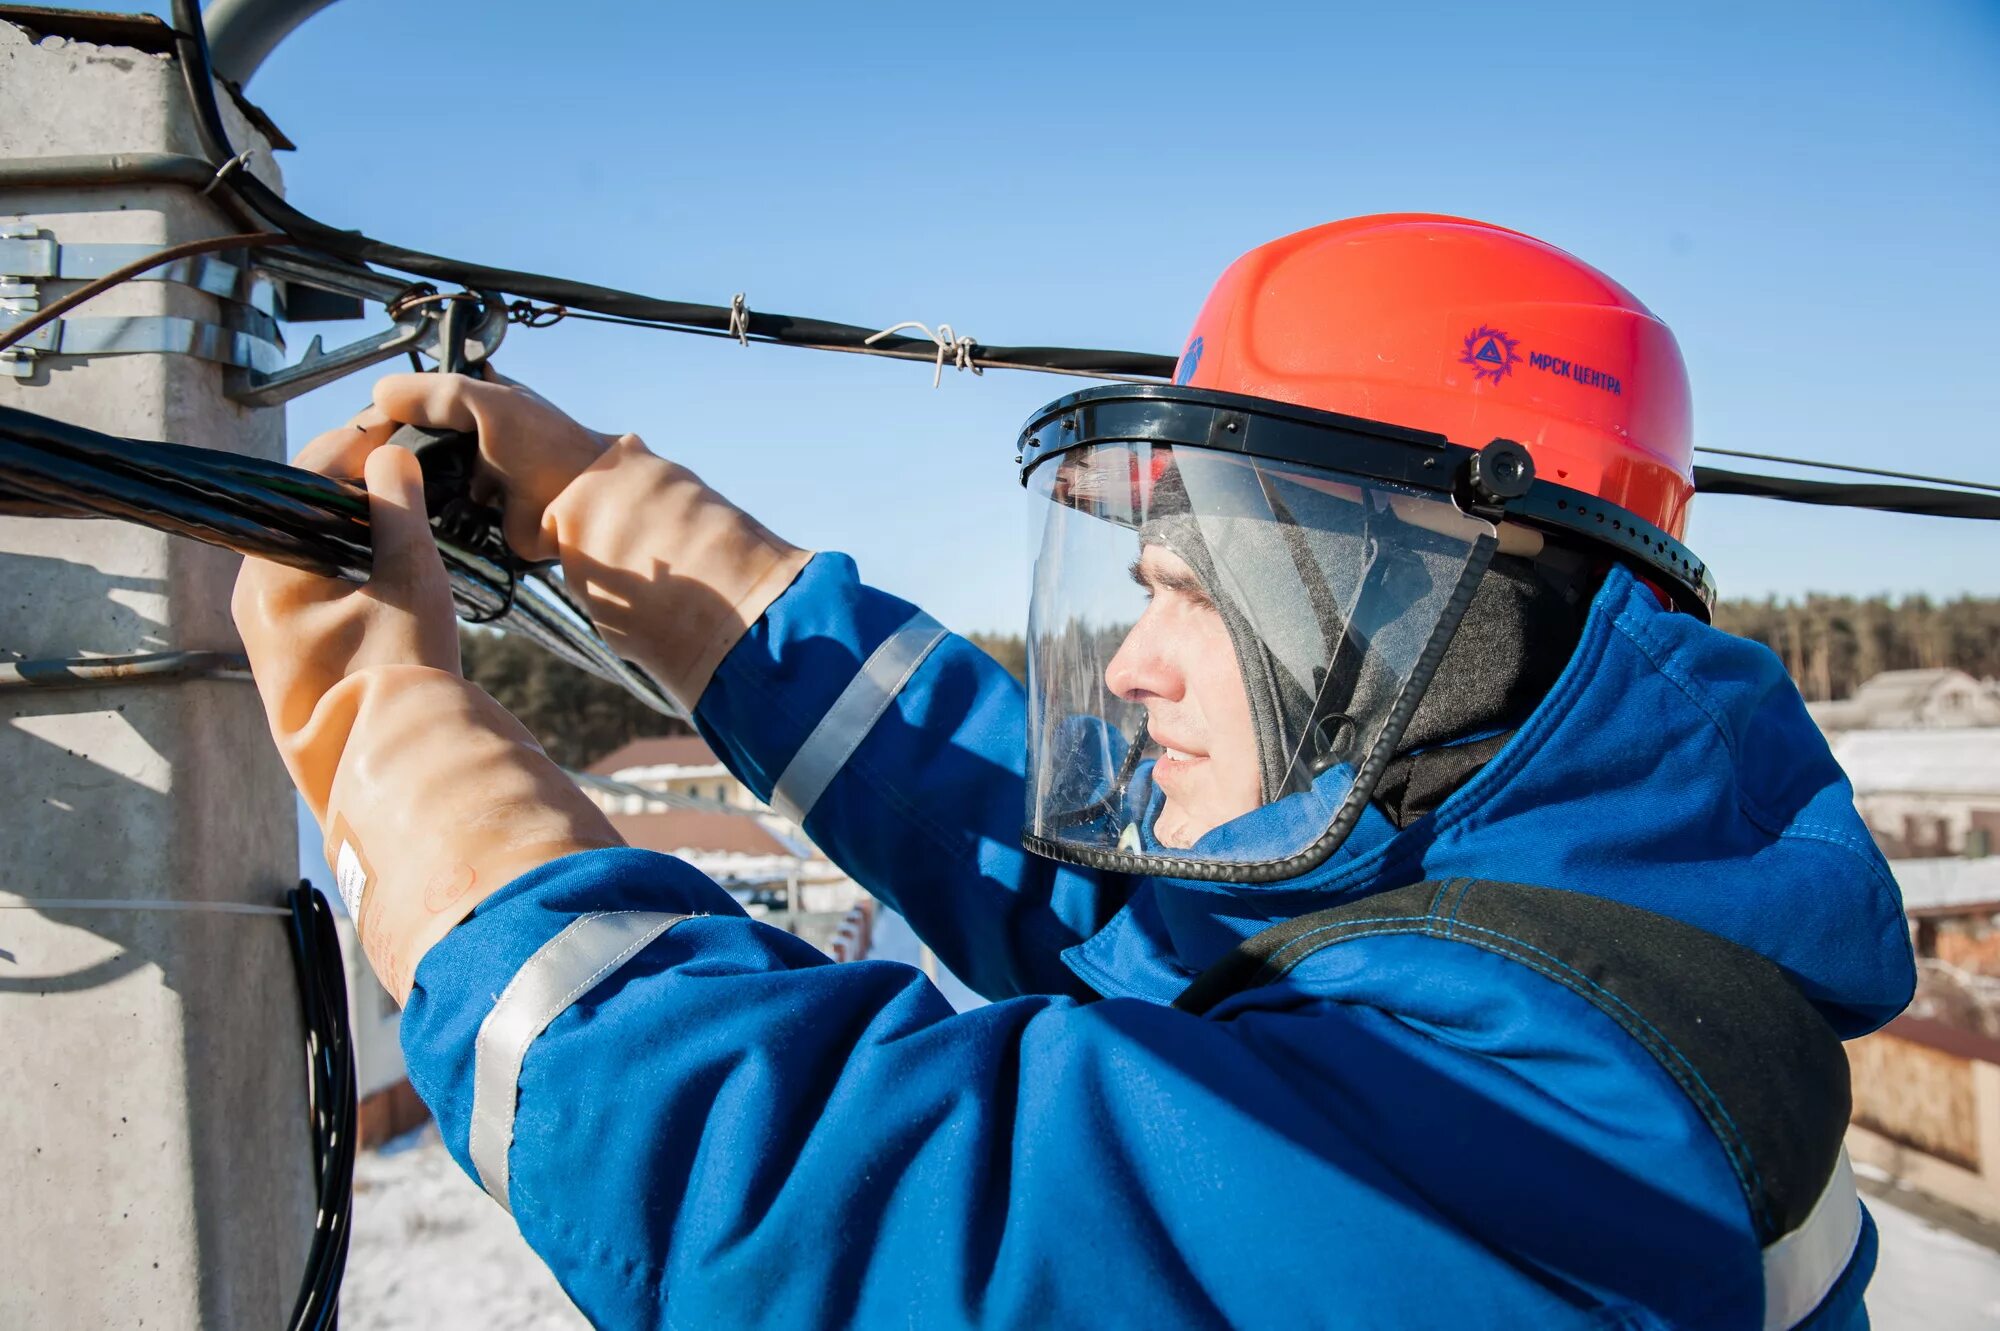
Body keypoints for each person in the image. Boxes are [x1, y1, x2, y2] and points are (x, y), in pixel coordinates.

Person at [233, 215, 1914, 1329]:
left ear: (1430, 626)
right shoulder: (1543, 902)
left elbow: (844, 1199)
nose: (1128, 663)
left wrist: (398, 740)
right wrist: (638, 532)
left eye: (1198, 593)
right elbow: (1111, 911)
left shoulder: (1548, 1118)